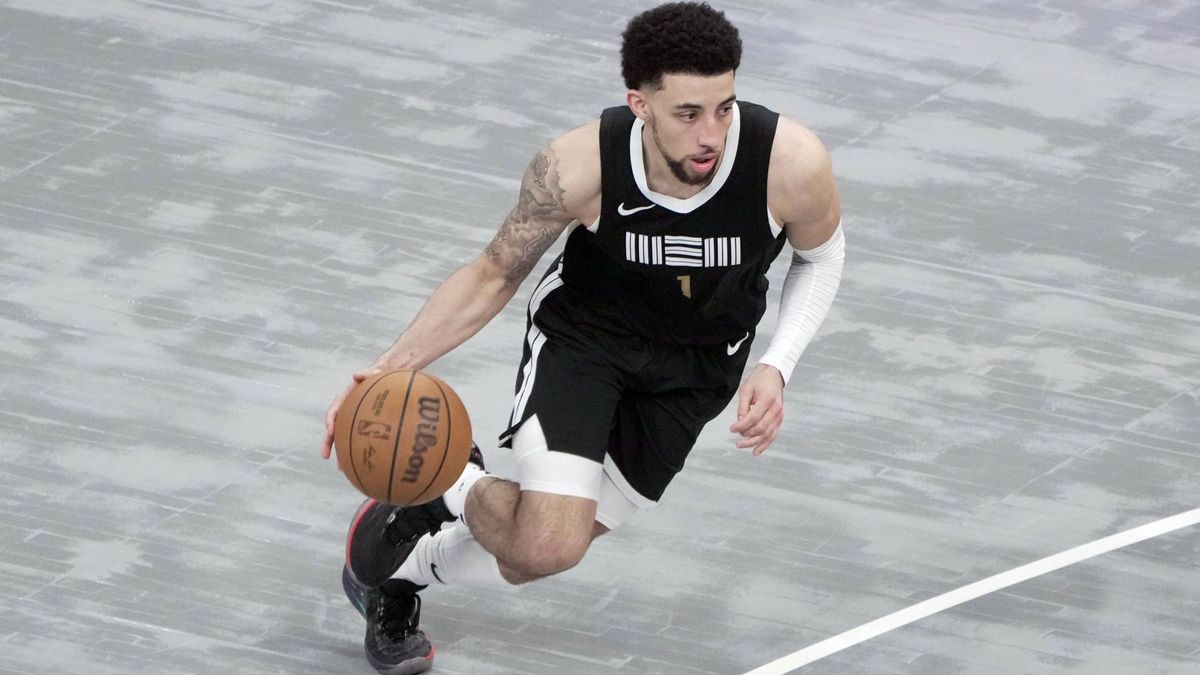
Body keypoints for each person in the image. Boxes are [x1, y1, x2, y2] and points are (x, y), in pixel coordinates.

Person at [321, 2, 844, 672]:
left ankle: (414, 552)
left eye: (724, 106)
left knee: (529, 558)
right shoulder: (579, 166)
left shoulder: (789, 163)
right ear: (640, 104)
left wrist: (777, 364)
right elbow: (492, 273)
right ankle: (435, 498)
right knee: (548, 545)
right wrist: (387, 370)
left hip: (695, 372)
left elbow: (823, 254)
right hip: (586, 344)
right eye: (688, 112)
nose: (711, 132)